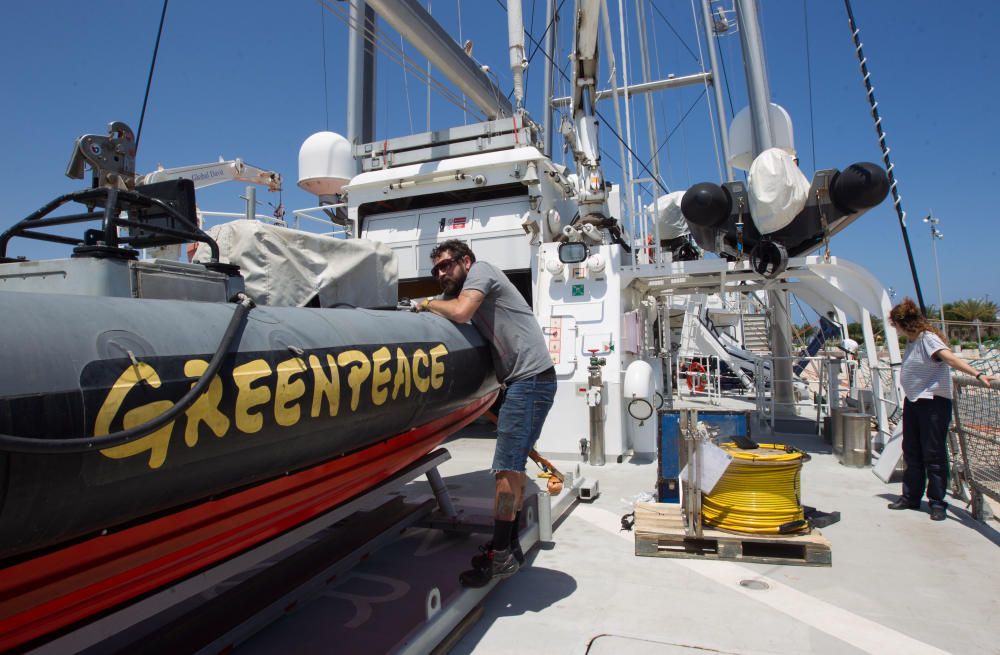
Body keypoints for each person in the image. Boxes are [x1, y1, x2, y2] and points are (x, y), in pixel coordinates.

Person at [415, 239, 556, 587]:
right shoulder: (464, 290)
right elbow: (453, 309)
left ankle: (501, 555)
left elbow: (461, 312)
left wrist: (426, 303)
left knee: (505, 468)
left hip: (529, 382)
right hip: (527, 382)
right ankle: (508, 546)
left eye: (446, 265)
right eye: (436, 270)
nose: (441, 273)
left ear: (465, 261)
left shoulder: (482, 271)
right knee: (514, 466)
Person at [887, 298, 997, 520]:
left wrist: (976, 374)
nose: (894, 329)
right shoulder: (912, 340)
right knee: (912, 450)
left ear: (903, 323)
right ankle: (911, 497)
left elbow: (950, 358)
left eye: (895, 325)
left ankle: (937, 502)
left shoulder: (928, 339)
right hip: (915, 401)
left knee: (933, 452)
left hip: (933, 403)